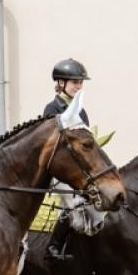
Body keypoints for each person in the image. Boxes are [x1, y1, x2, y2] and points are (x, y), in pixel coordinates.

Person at [42, 58, 91, 259]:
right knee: (73, 201)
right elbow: (52, 142)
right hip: (60, 168)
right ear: (61, 83)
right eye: (74, 82)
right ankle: (53, 246)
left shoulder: (82, 111)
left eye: (80, 83)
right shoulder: (52, 109)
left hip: (79, 167)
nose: (78, 87)